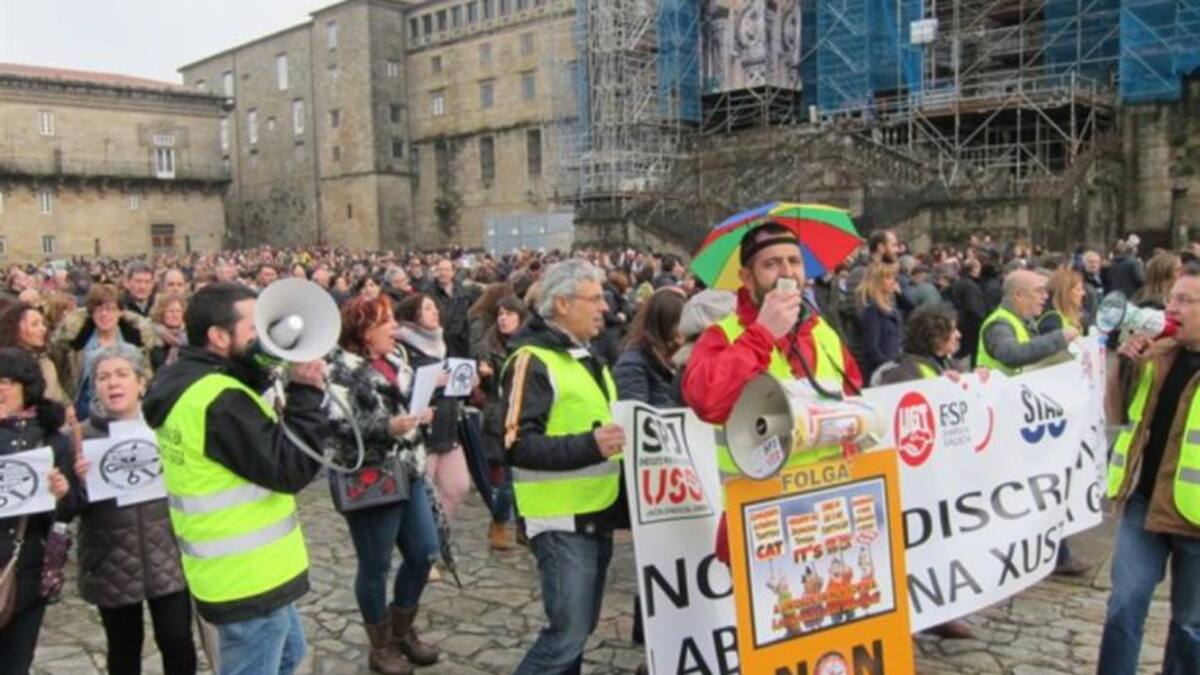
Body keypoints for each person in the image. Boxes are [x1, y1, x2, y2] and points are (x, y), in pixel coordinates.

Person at [142, 283, 329, 675]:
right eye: (254, 330)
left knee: (290, 659)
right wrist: (307, 394)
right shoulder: (219, 400)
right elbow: (289, 467)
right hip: (249, 579)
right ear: (219, 336)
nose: (265, 337)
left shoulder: (191, 383)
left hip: (240, 573)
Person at [503, 259, 627, 675]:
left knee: (579, 629)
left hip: (596, 509)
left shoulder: (586, 357)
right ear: (561, 303)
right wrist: (590, 445)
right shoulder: (531, 359)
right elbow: (517, 445)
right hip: (560, 518)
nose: (604, 308)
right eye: (594, 299)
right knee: (566, 634)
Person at [683, 221, 863, 479]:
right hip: (758, 503)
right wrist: (763, 333)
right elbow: (707, 402)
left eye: (794, 261)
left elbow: (854, 402)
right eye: (771, 264)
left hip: (828, 501)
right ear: (747, 278)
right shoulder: (721, 335)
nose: (787, 272)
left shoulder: (822, 331)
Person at [325, 295, 441, 674]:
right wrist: (387, 428)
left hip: (409, 468)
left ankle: (402, 629)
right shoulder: (338, 370)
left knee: (424, 552)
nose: (395, 328)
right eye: (386, 322)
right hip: (370, 477)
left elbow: (403, 407)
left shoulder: (396, 361)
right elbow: (337, 426)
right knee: (375, 565)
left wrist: (420, 414)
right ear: (363, 331)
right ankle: (381, 646)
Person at [1099, 265, 1200, 675]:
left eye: (1184, 300)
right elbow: (1118, 415)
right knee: (1124, 604)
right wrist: (1123, 367)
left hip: (1194, 514)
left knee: (1190, 625)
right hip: (1144, 500)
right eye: (1172, 297)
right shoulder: (1157, 352)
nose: (1171, 307)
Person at [72, 344, 197, 675]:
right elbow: (66, 509)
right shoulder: (79, 437)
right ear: (95, 387)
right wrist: (77, 483)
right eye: (103, 377)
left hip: (166, 553)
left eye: (122, 374)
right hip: (110, 560)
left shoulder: (166, 426)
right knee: (124, 648)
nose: (113, 383)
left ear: (141, 383)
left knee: (177, 641)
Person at [868, 303, 979, 638]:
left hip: (935, 479)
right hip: (914, 483)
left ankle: (938, 609)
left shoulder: (935, 369)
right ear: (935, 335)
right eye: (952, 329)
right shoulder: (901, 374)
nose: (958, 335)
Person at [0, 348, 81, 674]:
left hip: (24, 569)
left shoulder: (50, 441)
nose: (0, 389)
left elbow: (71, 509)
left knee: (16, 664)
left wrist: (62, 493)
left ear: (25, 387)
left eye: (6, 381)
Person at [395, 294, 471, 522]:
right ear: (413, 316)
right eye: (428, 308)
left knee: (458, 487)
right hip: (423, 431)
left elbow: (450, 381)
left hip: (447, 425)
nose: (435, 311)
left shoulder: (440, 343)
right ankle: (423, 542)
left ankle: (438, 532)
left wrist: (466, 381)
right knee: (422, 493)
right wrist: (430, 382)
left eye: (434, 307)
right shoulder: (402, 348)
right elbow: (400, 386)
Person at [53, 284, 157, 422]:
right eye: (98, 310)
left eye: (110, 309)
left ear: (120, 312)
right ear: (91, 313)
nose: (104, 315)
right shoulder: (76, 340)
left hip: (126, 410)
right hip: (84, 410)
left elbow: (145, 375)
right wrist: (66, 405)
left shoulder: (135, 339)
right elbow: (57, 376)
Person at [475, 294, 528, 551]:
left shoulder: (528, 345)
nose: (503, 319)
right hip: (500, 414)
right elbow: (487, 387)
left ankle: (522, 525)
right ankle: (498, 522)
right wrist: (485, 375)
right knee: (509, 477)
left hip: (525, 413)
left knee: (522, 474)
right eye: (500, 314)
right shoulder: (489, 344)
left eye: (509, 314)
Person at [975, 269, 1078, 374]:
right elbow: (1012, 355)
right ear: (1018, 295)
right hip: (1000, 389)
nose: (1045, 296)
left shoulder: (1023, 320)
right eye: (1039, 291)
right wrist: (1060, 338)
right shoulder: (999, 325)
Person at [613, 288, 686, 407]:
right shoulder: (632, 364)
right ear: (666, 324)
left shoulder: (672, 360)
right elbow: (635, 416)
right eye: (682, 324)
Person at [0, 302, 66, 405]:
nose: (43, 329)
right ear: (16, 329)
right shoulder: (5, 365)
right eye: (35, 324)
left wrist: (67, 406)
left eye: (42, 324)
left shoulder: (46, 361)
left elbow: (56, 394)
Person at [856, 260, 904, 382]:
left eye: (893, 277)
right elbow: (872, 348)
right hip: (881, 373)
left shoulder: (891, 308)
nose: (893, 281)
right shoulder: (872, 310)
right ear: (876, 282)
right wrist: (889, 366)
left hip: (895, 369)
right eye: (888, 278)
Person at [428, 259, 475, 358]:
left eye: (447, 270)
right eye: (440, 270)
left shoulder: (465, 292)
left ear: (453, 272)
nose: (443, 273)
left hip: (461, 343)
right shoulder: (428, 293)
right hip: (439, 342)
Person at [149, 294, 188, 370]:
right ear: (161, 314)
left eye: (178, 311)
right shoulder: (152, 338)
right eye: (170, 311)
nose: (175, 315)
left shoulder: (190, 338)